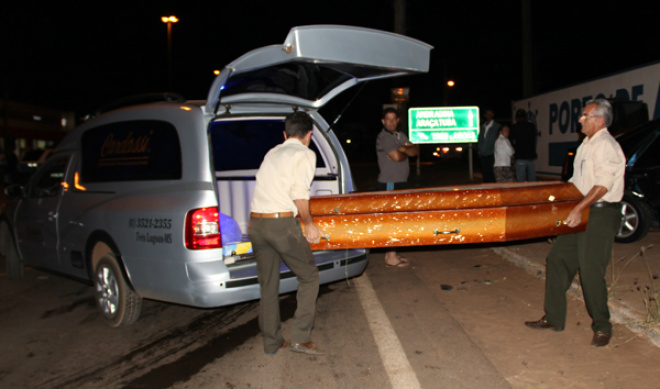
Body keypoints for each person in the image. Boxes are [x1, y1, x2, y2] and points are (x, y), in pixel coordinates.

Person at [524, 99, 625, 347]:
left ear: (599, 120)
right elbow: (576, 181)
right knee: (557, 259)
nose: (580, 119)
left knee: (590, 272)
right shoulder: (586, 145)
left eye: (585, 115)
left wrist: (579, 208)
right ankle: (554, 318)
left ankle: (602, 326)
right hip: (580, 209)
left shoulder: (606, 146)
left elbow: (603, 185)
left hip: (599, 213)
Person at [248, 111, 326, 356]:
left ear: (285, 134)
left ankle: (272, 342)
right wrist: (309, 224)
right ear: (309, 135)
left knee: (268, 285)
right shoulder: (304, 153)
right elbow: (299, 193)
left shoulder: (272, 152)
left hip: (256, 225)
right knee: (309, 276)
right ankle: (300, 338)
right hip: (281, 225)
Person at [376, 107, 418, 268]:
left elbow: (415, 150)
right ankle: (391, 257)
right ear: (383, 121)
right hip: (389, 183)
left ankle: (391, 253)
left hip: (400, 182)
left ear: (398, 120)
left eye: (394, 119)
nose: (391, 122)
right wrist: (404, 149)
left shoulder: (399, 135)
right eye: (388, 119)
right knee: (391, 219)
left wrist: (404, 149)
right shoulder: (384, 137)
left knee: (398, 218)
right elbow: (397, 156)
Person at [509, 108, 538, 182]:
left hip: (520, 156)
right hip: (530, 155)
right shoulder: (531, 126)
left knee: (521, 179)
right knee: (532, 178)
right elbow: (534, 139)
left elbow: (512, 141)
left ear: (516, 118)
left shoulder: (514, 127)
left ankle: (523, 193)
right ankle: (533, 192)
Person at [477, 108, 500, 183]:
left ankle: (494, 190)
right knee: (485, 174)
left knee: (492, 174)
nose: (489, 116)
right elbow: (479, 139)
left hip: (492, 154)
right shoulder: (481, 127)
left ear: (493, 115)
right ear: (484, 115)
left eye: (490, 114)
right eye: (487, 114)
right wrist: (479, 150)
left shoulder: (497, 126)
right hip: (482, 154)